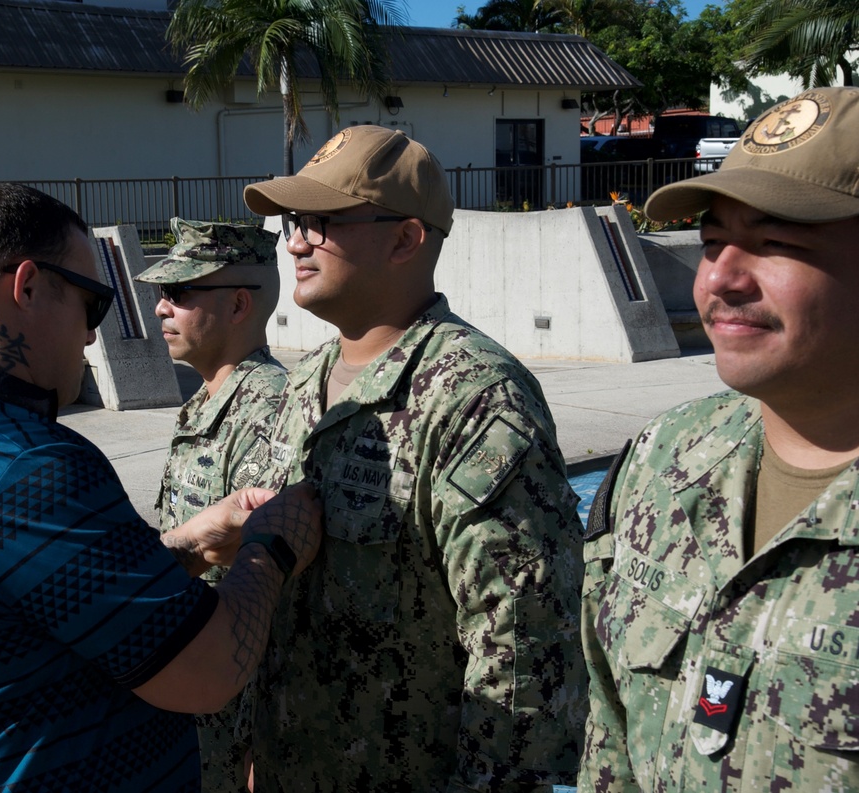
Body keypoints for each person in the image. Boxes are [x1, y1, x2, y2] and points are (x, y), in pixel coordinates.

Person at [0, 182, 322, 791]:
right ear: (26, 286)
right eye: (92, 305)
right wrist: (272, 546)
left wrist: (182, 547)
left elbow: (37, 598)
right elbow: (208, 672)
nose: (87, 336)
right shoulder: (25, 468)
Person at [242, 125, 588, 791]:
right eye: (294, 221)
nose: (297, 241)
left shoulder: (476, 396)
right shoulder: (302, 384)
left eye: (323, 221)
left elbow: (522, 647)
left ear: (406, 238)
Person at [578, 86, 859, 792]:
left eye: (774, 244)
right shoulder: (662, 460)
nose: (720, 280)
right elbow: (608, 731)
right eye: (711, 243)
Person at [134, 218, 287, 793]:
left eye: (179, 294)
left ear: (239, 304)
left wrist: (258, 748)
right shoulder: (206, 400)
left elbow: (269, 585)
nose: (160, 310)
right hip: (191, 714)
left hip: (229, 726)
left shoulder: (267, 411)